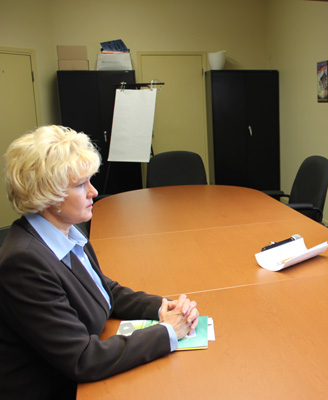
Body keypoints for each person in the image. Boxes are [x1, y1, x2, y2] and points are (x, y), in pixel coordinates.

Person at [0, 126, 201, 399]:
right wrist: (167, 332)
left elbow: (105, 290)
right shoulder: (23, 263)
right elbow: (83, 359)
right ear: (49, 194)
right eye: (81, 184)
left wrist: (162, 307)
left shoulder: (67, 230)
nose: (94, 191)